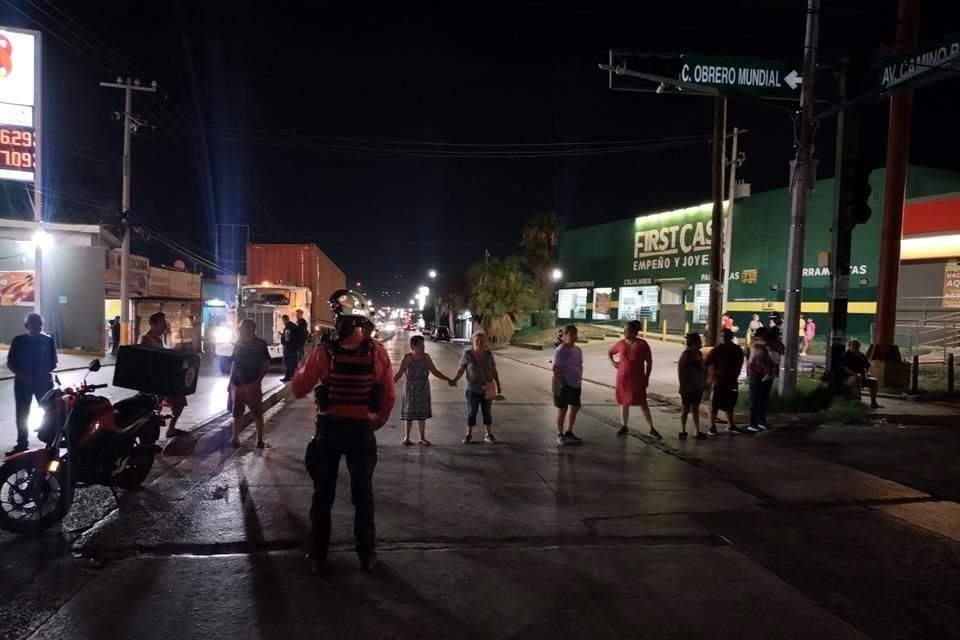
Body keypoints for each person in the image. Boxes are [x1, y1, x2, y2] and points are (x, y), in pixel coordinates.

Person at [293, 289, 395, 575]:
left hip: (330, 431)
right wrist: (371, 423)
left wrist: (307, 365)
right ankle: (367, 557)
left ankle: (318, 556)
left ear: (338, 322)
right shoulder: (378, 352)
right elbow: (388, 398)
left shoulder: (324, 352)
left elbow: (298, 388)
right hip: (361, 432)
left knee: (322, 495)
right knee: (363, 496)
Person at [5, 313, 57, 456]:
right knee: (22, 414)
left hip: (43, 383)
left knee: (51, 412)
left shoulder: (48, 341)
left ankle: (52, 443)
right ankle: (22, 444)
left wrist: (41, 374)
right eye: (34, 324)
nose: (38, 327)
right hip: (22, 383)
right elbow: (10, 362)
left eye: (40, 324)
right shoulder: (18, 341)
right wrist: (23, 375)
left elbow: (53, 363)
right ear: (27, 325)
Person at [393, 334, 451, 446]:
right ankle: (407, 437)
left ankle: (422, 437)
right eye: (420, 345)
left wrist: (448, 379)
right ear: (413, 346)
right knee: (408, 414)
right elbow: (399, 374)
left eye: (423, 345)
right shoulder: (407, 358)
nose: (423, 347)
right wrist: (389, 385)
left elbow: (435, 372)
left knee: (422, 414)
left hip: (423, 388)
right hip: (411, 389)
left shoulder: (426, 357)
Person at [608, 320, 661, 439]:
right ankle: (624, 425)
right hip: (623, 378)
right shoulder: (621, 343)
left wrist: (647, 377)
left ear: (634, 332)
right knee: (623, 402)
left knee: (643, 402)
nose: (624, 332)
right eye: (624, 330)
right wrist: (613, 363)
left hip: (637, 378)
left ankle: (651, 428)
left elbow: (649, 362)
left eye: (627, 330)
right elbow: (610, 352)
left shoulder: (642, 344)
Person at [139, 312, 189, 438]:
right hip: (153, 382)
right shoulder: (145, 339)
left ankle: (171, 428)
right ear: (152, 324)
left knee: (179, 402)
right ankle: (148, 435)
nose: (164, 327)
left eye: (164, 324)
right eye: (162, 324)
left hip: (164, 379)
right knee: (153, 408)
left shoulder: (159, 339)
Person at [450, 332, 502, 444]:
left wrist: (498, 384)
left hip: (487, 388)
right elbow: (461, 369)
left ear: (485, 342)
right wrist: (455, 379)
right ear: (473, 341)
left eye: (482, 340)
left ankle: (488, 434)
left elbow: (493, 370)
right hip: (472, 389)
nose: (479, 342)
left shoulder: (488, 355)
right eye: (477, 340)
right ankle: (468, 434)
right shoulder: (468, 354)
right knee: (471, 412)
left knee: (487, 412)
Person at [228, 318, 271, 448]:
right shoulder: (238, 343)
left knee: (257, 413)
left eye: (242, 328)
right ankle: (235, 438)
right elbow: (234, 363)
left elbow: (266, 362)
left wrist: (258, 381)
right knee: (237, 413)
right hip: (238, 385)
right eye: (240, 328)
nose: (240, 331)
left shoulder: (260, 344)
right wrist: (230, 382)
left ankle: (259, 439)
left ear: (251, 329)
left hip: (252, 384)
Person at [704, 329, 745, 435]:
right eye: (722, 335)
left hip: (725, 381)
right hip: (724, 380)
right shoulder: (728, 349)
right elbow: (706, 364)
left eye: (724, 336)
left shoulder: (723, 350)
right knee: (721, 404)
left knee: (723, 404)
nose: (723, 338)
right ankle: (718, 425)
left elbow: (706, 364)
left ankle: (724, 425)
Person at [553, 325, 584, 445]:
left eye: (575, 334)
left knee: (575, 407)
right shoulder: (560, 350)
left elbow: (579, 364)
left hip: (575, 383)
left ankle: (569, 432)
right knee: (563, 409)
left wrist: (579, 378)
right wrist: (562, 384)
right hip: (562, 383)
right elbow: (556, 368)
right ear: (565, 336)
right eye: (571, 334)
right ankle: (560, 434)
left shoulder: (578, 350)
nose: (574, 337)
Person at [746, 327, 776, 433]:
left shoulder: (766, 345)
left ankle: (761, 421)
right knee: (754, 398)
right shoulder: (756, 343)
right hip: (756, 372)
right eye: (765, 334)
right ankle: (752, 423)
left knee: (763, 398)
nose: (767, 336)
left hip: (764, 372)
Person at [677, 332, 705, 440]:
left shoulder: (699, 353)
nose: (701, 343)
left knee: (695, 408)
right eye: (699, 341)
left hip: (697, 385)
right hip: (688, 385)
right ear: (694, 342)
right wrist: (682, 385)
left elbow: (702, 369)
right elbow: (680, 370)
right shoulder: (686, 354)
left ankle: (697, 430)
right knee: (686, 407)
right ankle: (683, 430)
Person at [841, 339, 882, 409]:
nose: (855, 347)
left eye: (857, 346)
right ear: (849, 346)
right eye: (853, 345)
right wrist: (855, 374)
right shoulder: (846, 355)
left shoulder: (861, 355)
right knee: (857, 378)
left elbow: (867, 365)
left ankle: (873, 402)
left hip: (861, 377)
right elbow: (845, 368)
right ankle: (857, 401)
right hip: (848, 378)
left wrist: (867, 374)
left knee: (874, 381)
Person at [280, 314, 300, 382]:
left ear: (284, 320)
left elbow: (287, 338)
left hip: (289, 347)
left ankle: (290, 377)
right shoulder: (293, 326)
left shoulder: (288, 327)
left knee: (289, 363)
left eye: (283, 321)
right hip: (293, 347)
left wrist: (285, 342)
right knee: (292, 363)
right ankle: (288, 377)